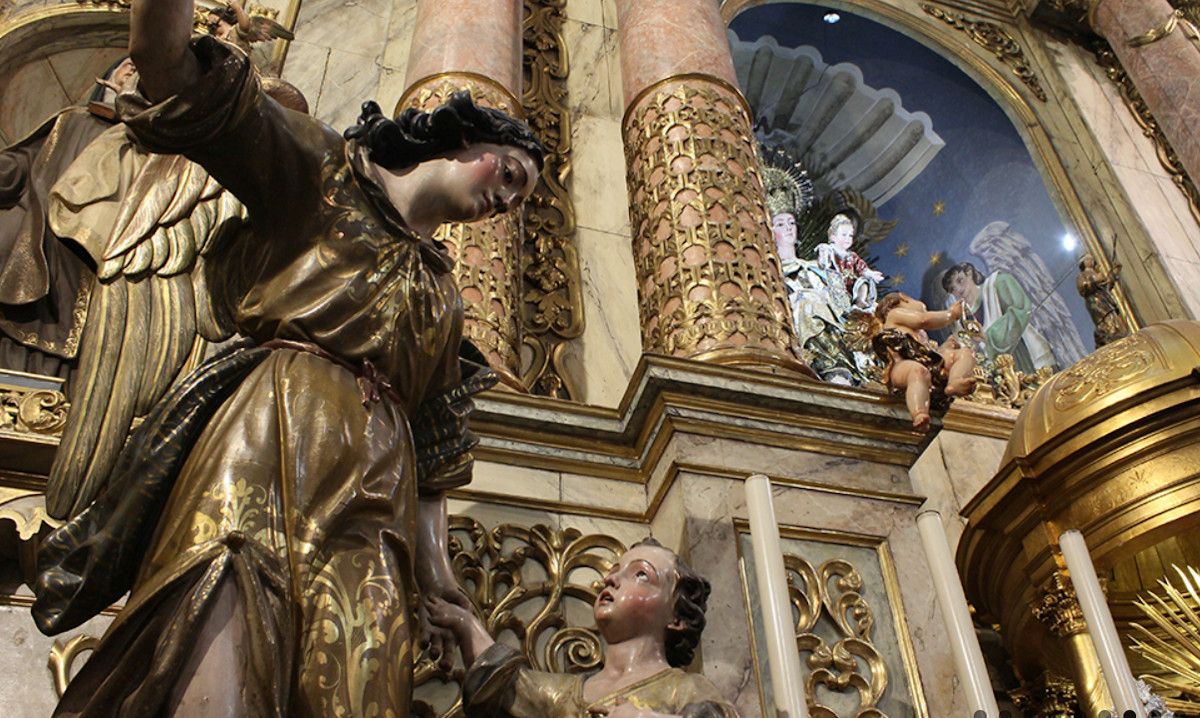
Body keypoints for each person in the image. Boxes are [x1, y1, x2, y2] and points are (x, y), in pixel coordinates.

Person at [32, 0, 543, 715]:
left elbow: (435, 446)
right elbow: (172, 69)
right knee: (223, 631)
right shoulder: (324, 172)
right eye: (508, 172)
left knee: (362, 684)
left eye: (518, 198)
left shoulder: (442, 296)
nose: (504, 199)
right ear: (459, 139)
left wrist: (440, 582)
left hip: (377, 492)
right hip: (268, 438)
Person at [428, 538, 739, 718]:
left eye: (641, 575)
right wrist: (464, 623)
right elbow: (506, 685)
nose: (611, 579)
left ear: (676, 617)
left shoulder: (685, 689)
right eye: (615, 571)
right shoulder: (566, 694)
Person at [872, 292, 976, 432]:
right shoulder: (894, 314)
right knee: (917, 371)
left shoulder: (921, 334)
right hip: (902, 366)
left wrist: (945, 347)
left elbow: (930, 354)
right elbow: (923, 320)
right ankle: (919, 413)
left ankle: (955, 381)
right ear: (904, 298)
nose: (925, 310)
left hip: (928, 368)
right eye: (924, 307)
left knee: (966, 353)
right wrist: (951, 314)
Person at [940, 261, 1054, 373]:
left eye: (960, 281)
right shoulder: (960, 320)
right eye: (952, 289)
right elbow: (970, 350)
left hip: (1025, 354)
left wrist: (988, 337)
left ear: (969, 273)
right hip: (998, 372)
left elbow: (1020, 311)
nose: (959, 290)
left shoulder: (997, 284)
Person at [816, 213, 883, 312]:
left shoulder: (852, 256)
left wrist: (871, 274)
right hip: (836, 287)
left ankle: (860, 301)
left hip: (852, 288)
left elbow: (861, 267)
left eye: (850, 235)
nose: (847, 238)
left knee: (864, 281)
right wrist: (823, 256)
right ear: (833, 236)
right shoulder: (829, 250)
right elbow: (823, 265)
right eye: (844, 235)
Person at [1076, 254, 1128, 347]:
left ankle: (1116, 339)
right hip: (1095, 302)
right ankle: (1112, 340)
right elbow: (1083, 288)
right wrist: (1096, 279)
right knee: (1106, 323)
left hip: (1105, 301)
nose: (1092, 261)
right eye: (1089, 259)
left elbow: (1106, 286)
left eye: (1091, 259)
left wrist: (1114, 273)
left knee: (1114, 323)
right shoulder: (1082, 276)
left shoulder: (1096, 272)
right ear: (1084, 262)